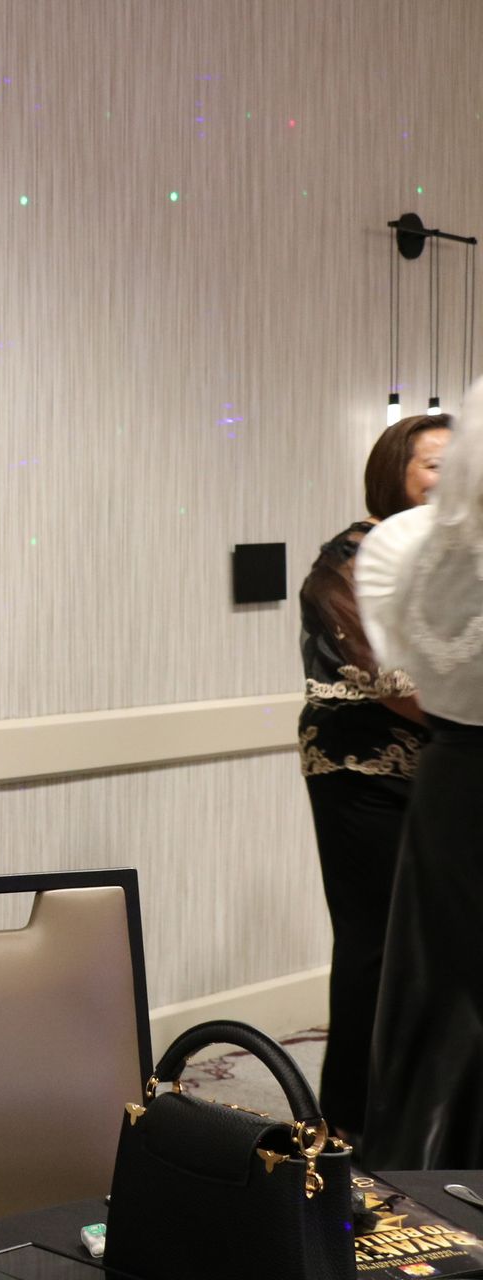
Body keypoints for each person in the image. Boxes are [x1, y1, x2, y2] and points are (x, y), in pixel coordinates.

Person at [296, 412, 448, 1140]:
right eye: (434, 465)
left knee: (431, 945)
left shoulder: (448, 556)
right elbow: (389, 678)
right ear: (395, 470)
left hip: (437, 769)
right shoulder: (347, 560)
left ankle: (412, 1110)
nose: (450, 481)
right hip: (358, 769)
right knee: (372, 940)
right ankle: (349, 1120)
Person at [356, 377, 483, 1170]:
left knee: (443, 999)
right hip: (461, 789)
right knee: (448, 996)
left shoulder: (409, 553)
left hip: (452, 784)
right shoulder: (404, 548)